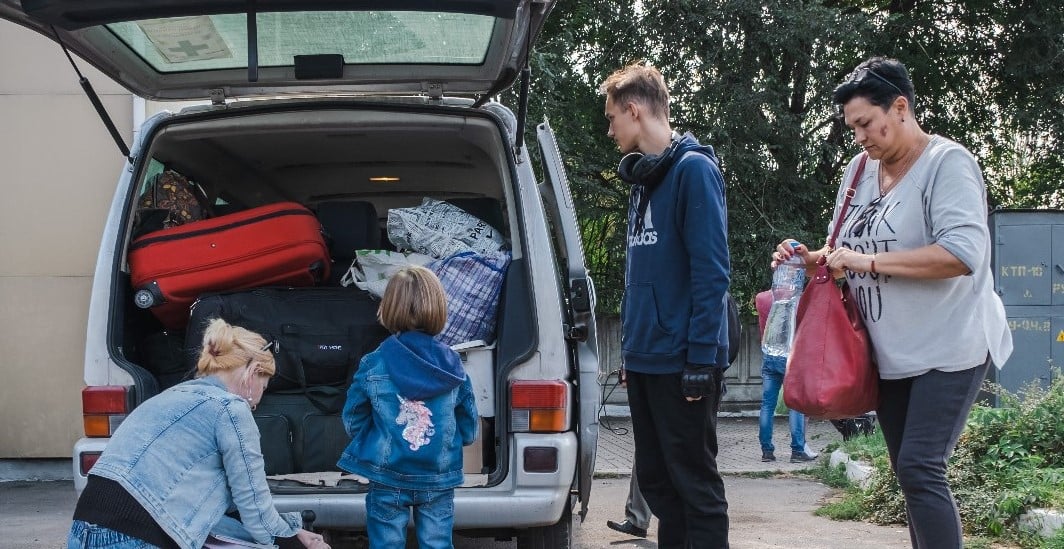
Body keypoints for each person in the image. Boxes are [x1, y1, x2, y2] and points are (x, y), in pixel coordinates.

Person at [771, 57, 1012, 549]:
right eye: (852, 127)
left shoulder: (948, 163)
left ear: (900, 107)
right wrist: (808, 256)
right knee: (908, 473)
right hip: (889, 352)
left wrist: (866, 263)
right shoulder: (860, 169)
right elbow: (842, 252)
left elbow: (962, 254)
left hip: (950, 345)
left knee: (922, 467)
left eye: (865, 123)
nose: (859, 137)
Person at [601, 62, 731, 548]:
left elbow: (711, 271)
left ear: (634, 110)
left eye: (613, 117)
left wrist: (701, 356)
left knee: (694, 482)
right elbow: (642, 278)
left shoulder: (694, 171)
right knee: (657, 482)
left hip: (684, 361)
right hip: (647, 358)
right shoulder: (642, 180)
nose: (610, 128)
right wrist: (632, 353)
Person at [68, 318, 329, 549]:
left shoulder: (171, 395)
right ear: (252, 373)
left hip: (83, 531)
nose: (258, 400)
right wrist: (293, 543)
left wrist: (291, 531)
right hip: (136, 538)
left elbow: (212, 514)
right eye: (264, 385)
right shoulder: (230, 407)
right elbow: (253, 506)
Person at [337, 265, 478, 549]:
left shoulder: (374, 363)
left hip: (387, 475)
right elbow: (469, 426)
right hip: (438, 477)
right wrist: (446, 444)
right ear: (439, 308)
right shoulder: (453, 366)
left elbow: (352, 418)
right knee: (437, 543)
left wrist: (376, 440)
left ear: (389, 308)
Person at [754, 290, 817, 463]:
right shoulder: (800, 299)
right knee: (795, 404)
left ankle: (767, 451)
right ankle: (797, 450)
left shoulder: (762, 298)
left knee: (767, 405)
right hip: (790, 357)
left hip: (768, 357)